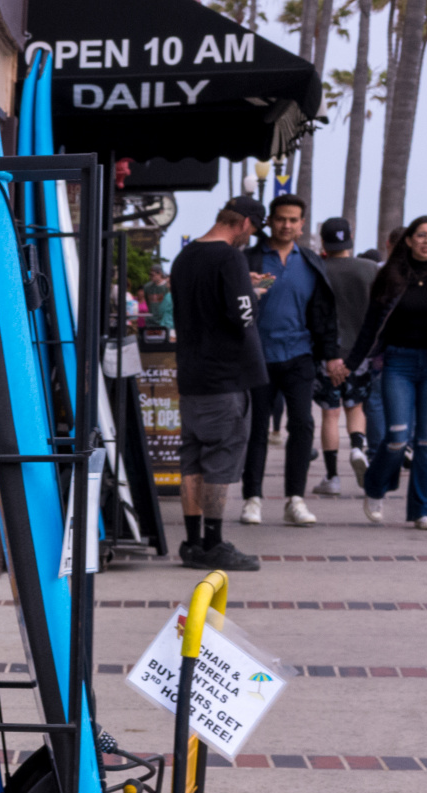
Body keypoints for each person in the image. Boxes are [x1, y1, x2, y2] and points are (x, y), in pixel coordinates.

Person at [350, 214, 427, 529]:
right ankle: (375, 486)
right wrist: (349, 365)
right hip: (398, 363)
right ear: (408, 240)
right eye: (421, 235)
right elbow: (370, 326)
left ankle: (424, 510)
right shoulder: (390, 275)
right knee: (397, 437)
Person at [167, 197, 267, 570]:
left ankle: (192, 543)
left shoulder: (185, 257)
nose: (250, 237)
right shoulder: (229, 258)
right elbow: (243, 314)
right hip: (225, 377)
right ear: (245, 223)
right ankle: (214, 541)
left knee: (192, 460)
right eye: (253, 229)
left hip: (191, 375)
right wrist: (254, 295)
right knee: (220, 461)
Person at [238, 195, 345, 526]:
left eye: (293, 220)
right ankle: (252, 499)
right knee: (257, 428)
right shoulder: (249, 259)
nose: (286, 225)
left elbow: (324, 313)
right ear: (270, 221)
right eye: (281, 219)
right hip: (257, 356)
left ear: (302, 225)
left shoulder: (311, 262)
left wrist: (331, 355)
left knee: (303, 424)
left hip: (299, 355)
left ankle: (295, 500)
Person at [310, 217, 374, 495]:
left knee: (330, 413)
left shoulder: (316, 270)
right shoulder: (369, 269)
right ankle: (358, 448)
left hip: (326, 354)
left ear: (323, 241)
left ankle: (332, 477)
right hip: (360, 353)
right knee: (356, 407)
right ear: (350, 237)